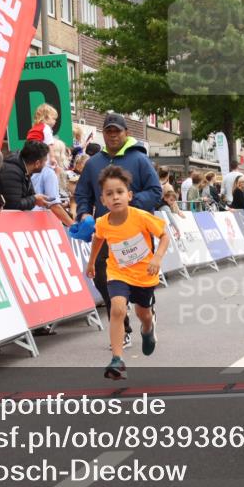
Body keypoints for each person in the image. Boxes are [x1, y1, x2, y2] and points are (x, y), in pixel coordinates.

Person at [74, 112, 162, 348]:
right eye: (109, 132)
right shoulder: (93, 163)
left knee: (141, 283)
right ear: (104, 134)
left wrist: (128, 205)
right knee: (104, 279)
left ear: (126, 133)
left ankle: (147, 313)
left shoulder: (139, 160)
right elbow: (82, 193)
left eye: (117, 131)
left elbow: (156, 192)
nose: (113, 136)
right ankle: (122, 327)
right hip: (106, 233)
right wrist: (83, 213)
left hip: (136, 233)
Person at [86, 165, 170, 380]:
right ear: (103, 200)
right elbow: (98, 239)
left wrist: (157, 258)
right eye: (109, 194)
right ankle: (117, 360)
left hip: (144, 275)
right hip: (118, 273)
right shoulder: (102, 222)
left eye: (120, 192)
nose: (115, 197)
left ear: (129, 195)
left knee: (143, 313)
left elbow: (164, 235)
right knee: (117, 308)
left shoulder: (141, 217)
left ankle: (148, 328)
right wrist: (92, 262)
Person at [0, 141, 50, 211]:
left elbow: (30, 196)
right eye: (45, 161)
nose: (45, 165)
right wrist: (35, 200)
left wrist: (35, 199)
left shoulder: (24, 169)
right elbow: (13, 205)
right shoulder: (12, 172)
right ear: (37, 163)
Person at [31, 142, 74, 226]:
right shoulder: (49, 172)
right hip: (39, 219)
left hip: (29, 216)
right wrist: (73, 226)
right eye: (65, 153)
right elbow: (54, 204)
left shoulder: (37, 167)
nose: (68, 157)